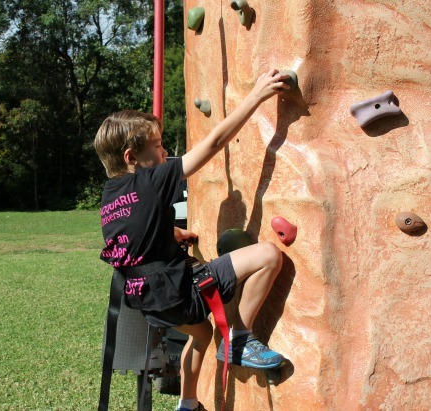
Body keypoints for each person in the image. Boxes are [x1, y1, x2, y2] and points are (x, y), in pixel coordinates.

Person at [94, 69, 290, 411]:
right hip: (177, 291)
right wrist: (257, 95)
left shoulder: (111, 195)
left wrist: (176, 233)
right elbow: (213, 143)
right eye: (158, 146)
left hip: (147, 299)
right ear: (131, 158)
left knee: (200, 334)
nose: (164, 152)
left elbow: (136, 230)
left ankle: (188, 403)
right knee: (269, 255)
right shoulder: (151, 179)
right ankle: (239, 339)